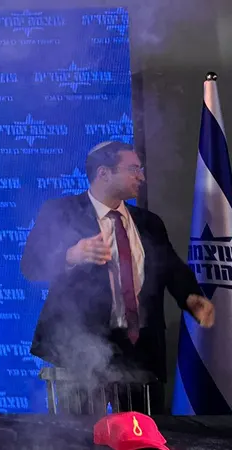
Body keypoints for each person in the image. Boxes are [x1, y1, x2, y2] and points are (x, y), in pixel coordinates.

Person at [21, 141, 215, 414]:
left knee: (143, 433)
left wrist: (190, 297)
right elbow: (31, 266)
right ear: (103, 173)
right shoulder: (61, 211)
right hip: (80, 350)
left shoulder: (149, 222)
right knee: (81, 435)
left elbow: (171, 267)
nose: (141, 176)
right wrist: (71, 255)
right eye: (133, 169)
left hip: (140, 354)